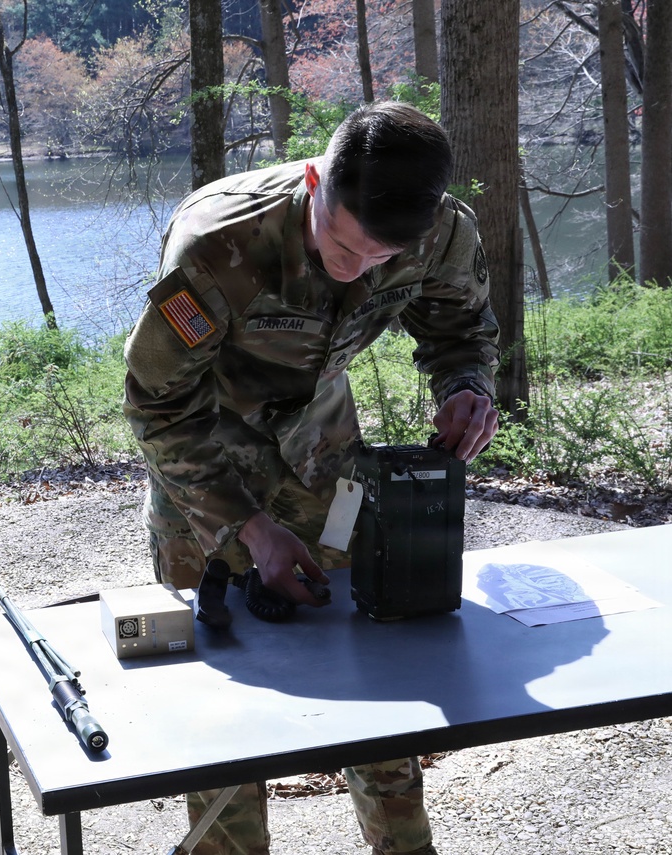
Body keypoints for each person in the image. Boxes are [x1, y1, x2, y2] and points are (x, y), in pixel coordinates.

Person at [122, 101, 500, 855]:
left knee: (374, 655)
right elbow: (157, 406)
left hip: (323, 456)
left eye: (376, 260)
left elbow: (459, 327)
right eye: (338, 243)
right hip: (203, 469)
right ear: (312, 179)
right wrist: (247, 528)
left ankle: (402, 845)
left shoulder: (442, 229)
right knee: (222, 687)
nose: (351, 268)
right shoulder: (220, 243)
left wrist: (466, 386)